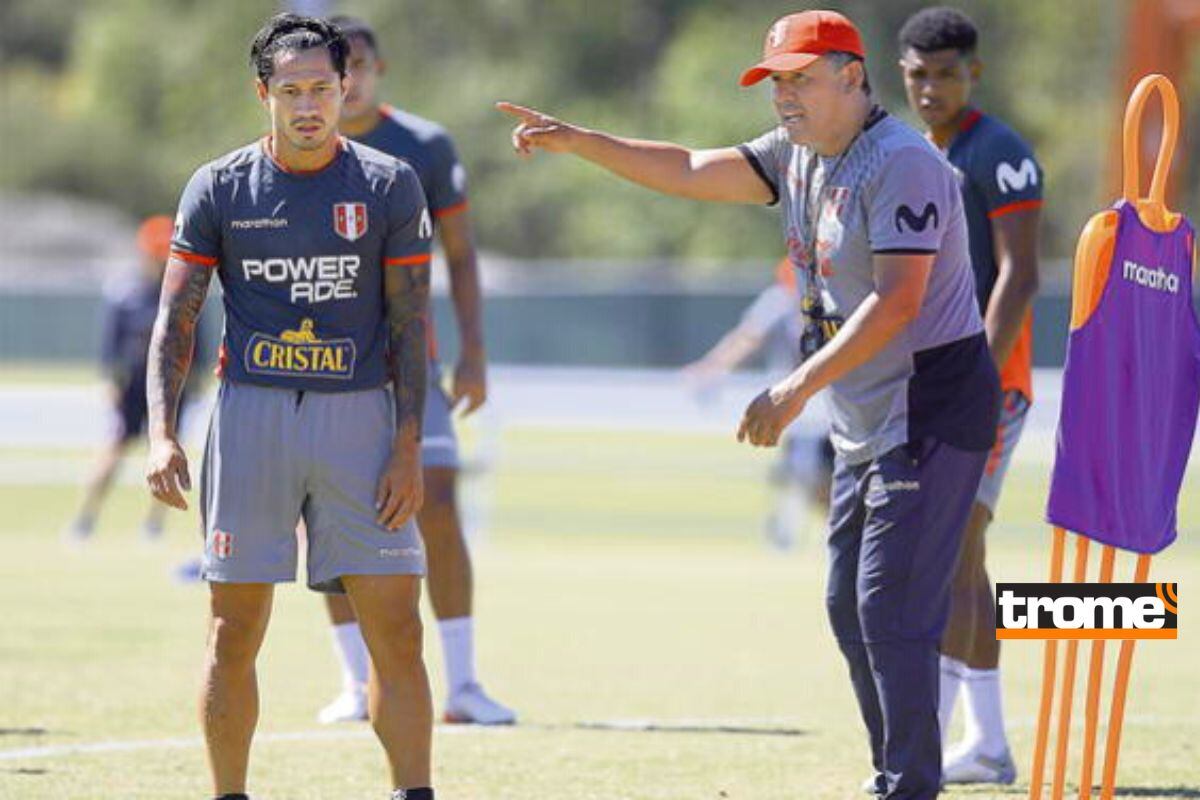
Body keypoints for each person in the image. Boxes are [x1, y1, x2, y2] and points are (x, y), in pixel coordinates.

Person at [499, 9, 1000, 798]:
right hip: (869, 410)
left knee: (888, 606)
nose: (785, 97)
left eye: (801, 78)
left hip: (932, 403)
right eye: (776, 82)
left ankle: (910, 784)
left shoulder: (901, 162)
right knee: (849, 605)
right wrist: (583, 142)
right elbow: (694, 168)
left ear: (851, 75)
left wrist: (796, 389)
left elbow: (899, 303)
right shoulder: (795, 154)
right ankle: (895, 772)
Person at [144, 14, 436, 800]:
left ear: (346, 88)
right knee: (232, 632)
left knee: (399, 631)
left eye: (321, 90)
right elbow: (175, 319)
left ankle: (416, 792)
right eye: (290, 91)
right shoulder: (219, 186)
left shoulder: (388, 185)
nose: (307, 106)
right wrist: (163, 434)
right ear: (263, 94)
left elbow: (411, 322)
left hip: (361, 422)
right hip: (252, 418)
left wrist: (409, 444)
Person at [312, 14, 514, 727]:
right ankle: (354, 683)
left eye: (361, 63)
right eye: (341, 67)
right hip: (324, 365)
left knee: (439, 501)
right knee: (330, 514)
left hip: (410, 365)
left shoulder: (423, 146)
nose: (352, 78)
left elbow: (459, 255)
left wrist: (475, 351)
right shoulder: (298, 149)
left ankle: (461, 684)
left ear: (378, 68)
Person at [897, 7, 1042, 785]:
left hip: (991, 386)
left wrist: (977, 379)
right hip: (932, 387)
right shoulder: (912, 151)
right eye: (918, 74)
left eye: (946, 73)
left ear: (972, 73)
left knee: (957, 547)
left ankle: (967, 738)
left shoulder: (999, 152)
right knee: (960, 555)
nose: (931, 88)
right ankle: (980, 741)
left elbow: (1021, 275)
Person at [684, 259, 834, 549]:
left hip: (831, 405)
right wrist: (712, 367)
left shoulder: (834, 298)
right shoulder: (779, 303)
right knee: (805, 471)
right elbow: (747, 338)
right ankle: (793, 529)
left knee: (820, 474)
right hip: (794, 408)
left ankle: (817, 528)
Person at [66, 216, 192, 543]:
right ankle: (84, 519)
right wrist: (110, 381)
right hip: (133, 385)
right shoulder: (124, 293)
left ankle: (154, 526)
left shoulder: (182, 291)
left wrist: (194, 380)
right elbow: (111, 345)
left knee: (168, 456)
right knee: (112, 449)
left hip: (170, 387)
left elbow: (196, 340)